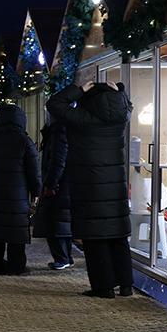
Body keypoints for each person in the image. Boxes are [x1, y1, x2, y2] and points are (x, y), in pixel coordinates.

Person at [47, 80, 133, 298]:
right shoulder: (120, 117)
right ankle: (126, 285)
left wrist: (79, 89)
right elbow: (127, 105)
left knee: (95, 238)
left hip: (90, 185)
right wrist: (119, 92)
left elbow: (54, 104)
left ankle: (103, 287)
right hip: (115, 187)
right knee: (117, 235)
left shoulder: (83, 120)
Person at [0, 103, 41, 275]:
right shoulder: (24, 141)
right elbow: (34, 171)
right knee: (16, 232)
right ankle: (16, 266)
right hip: (17, 197)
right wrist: (36, 193)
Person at [33, 118, 73, 270]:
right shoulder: (66, 129)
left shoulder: (58, 131)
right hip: (67, 183)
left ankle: (62, 258)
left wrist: (50, 183)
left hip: (58, 185)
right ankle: (66, 257)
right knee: (63, 221)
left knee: (54, 222)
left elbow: (58, 160)